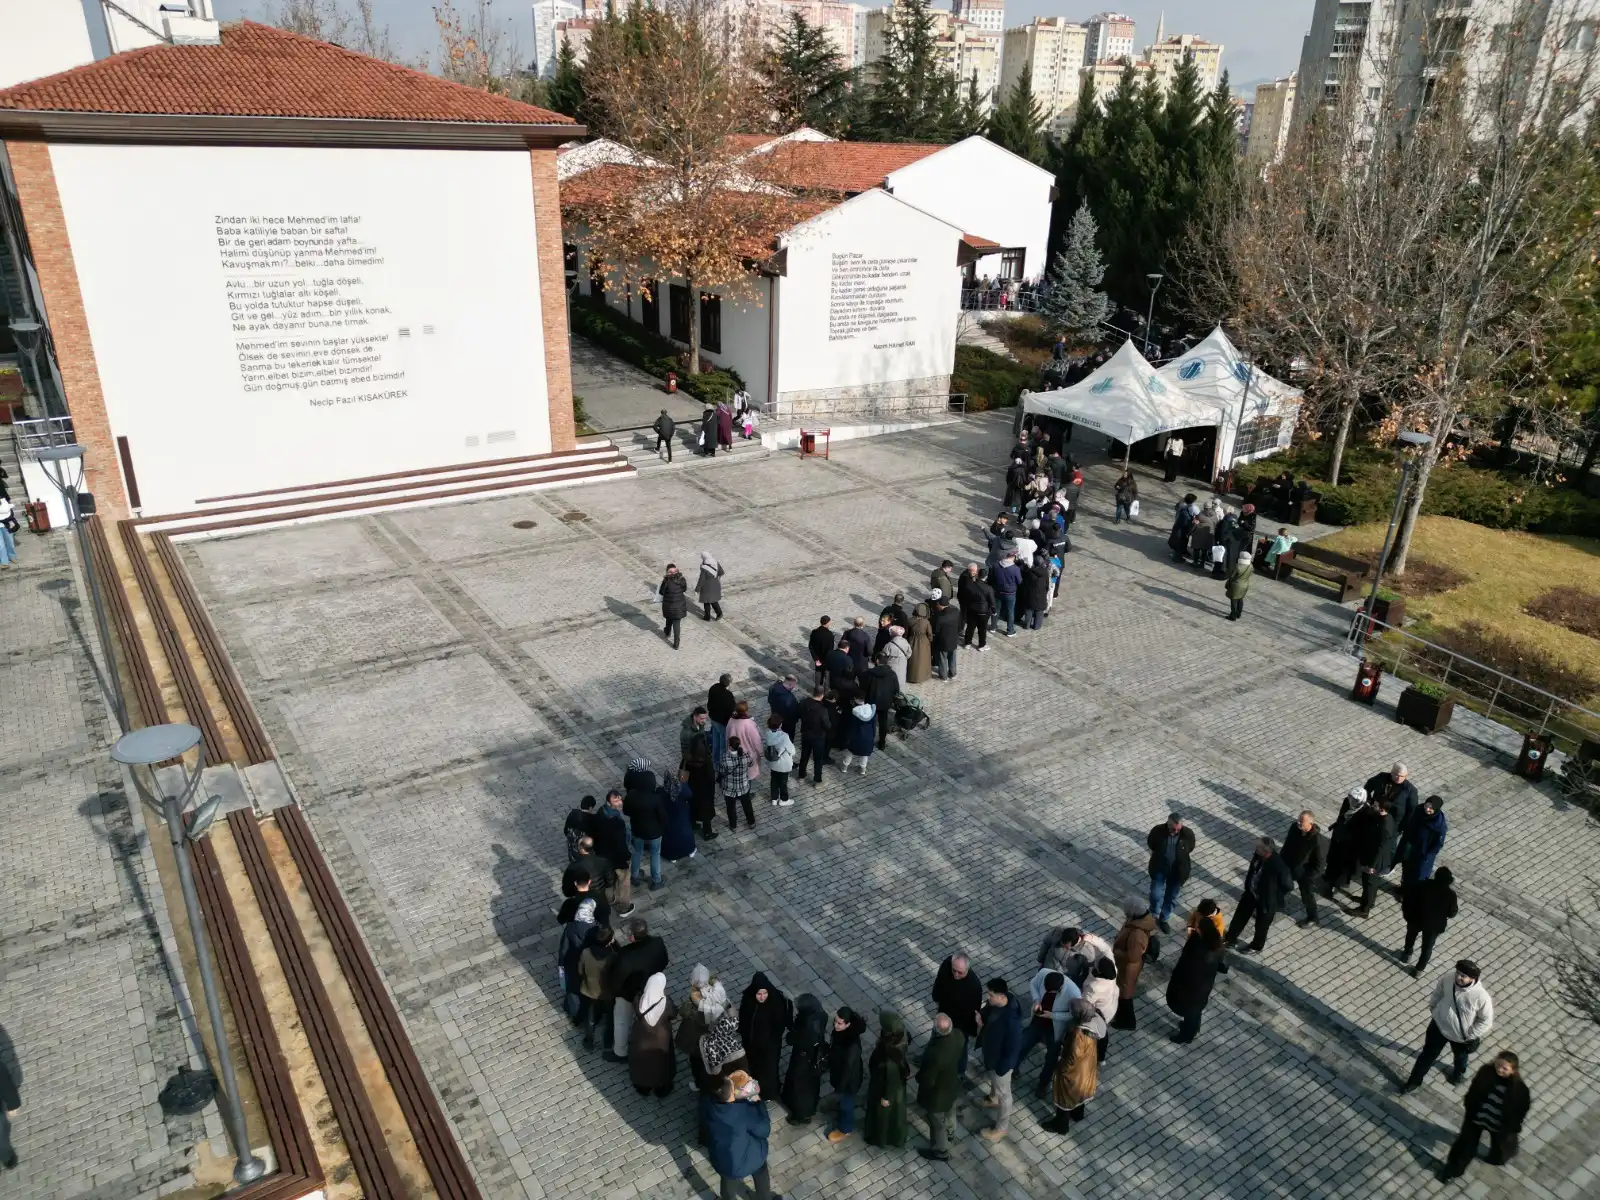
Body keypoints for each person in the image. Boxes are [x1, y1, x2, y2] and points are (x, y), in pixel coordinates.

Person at [1438, 1051, 1530, 1182]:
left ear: (1513, 1071)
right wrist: (1469, 1104)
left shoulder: (1520, 1089)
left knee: (1502, 1147)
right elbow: (1474, 1089)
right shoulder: (1486, 1072)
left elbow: (1521, 1110)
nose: (1500, 1069)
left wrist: (1512, 1125)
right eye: (1498, 1065)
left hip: (1499, 1124)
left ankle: (1497, 1158)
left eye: (1504, 1068)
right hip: (1477, 1117)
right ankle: (1452, 1171)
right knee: (1464, 1147)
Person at [1402, 961, 1495, 1091]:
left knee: (1460, 1057)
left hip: (1460, 1036)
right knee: (1426, 1056)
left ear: (1472, 978)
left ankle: (1458, 1074)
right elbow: (1438, 991)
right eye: (1458, 973)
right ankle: (1414, 1082)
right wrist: (1434, 1007)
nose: (1458, 977)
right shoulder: (1448, 978)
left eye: (1463, 976)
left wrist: (1470, 1034)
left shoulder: (1481, 997)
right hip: (1438, 1026)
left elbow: (1486, 1021)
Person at [706, 1072, 778, 1200]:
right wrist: (757, 1101)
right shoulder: (744, 1112)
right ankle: (764, 1197)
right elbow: (764, 1130)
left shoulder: (710, 1106)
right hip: (752, 1158)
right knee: (761, 1172)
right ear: (732, 1093)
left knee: (728, 1183)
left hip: (725, 1162)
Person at [608, 918, 669, 1062]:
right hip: (650, 988)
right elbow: (664, 961)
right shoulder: (658, 942)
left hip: (628, 994)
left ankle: (620, 1052)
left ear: (632, 937)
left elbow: (617, 981)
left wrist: (614, 993)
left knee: (622, 1021)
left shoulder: (625, 955)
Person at [1043, 998, 1105, 1133]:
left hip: (1074, 1072)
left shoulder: (1078, 1035)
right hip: (1088, 1066)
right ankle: (1077, 1115)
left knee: (1065, 1097)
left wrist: (1061, 1069)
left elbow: (1072, 1057)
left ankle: (1061, 1126)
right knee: (1080, 1093)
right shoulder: (1094, 1024)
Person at [1225, 837, 1295, 955]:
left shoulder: (1279, 866)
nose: (1255, 849)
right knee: (1239, 917)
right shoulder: (1258, 855)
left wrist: (1273, 894)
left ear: (1266, 851)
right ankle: (1230, 938)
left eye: (1258, 848)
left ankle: (1256, 947)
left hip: (1266, 901)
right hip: (1251, 893)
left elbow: (1288, 885)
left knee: (1261, 926)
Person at [915, 1013, 965, 1161]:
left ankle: (940, 1150)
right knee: (950, 1110)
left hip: (937, 1093)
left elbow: (927, 1078)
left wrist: (919, 1079)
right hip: (951, 1083)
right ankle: (951, 1132)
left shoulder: (935, 1053)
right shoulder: (958, 1036)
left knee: (937, 1122)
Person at [977, 978, 1021, 1142]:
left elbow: (1013, 1049)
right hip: (991, 1056)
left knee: (1005, 1095)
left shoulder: (1011, 1021)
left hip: (1000, 1065)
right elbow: (987, 1012)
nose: (987, 997)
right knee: (995, 1085)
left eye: (990, 995)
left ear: (1001, 996)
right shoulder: (996, 1004)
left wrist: (1002, 1069)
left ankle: (1001, 1128)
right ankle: (993, 1098)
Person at [1166, 919, 1224, 1044]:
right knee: (1195, 1009)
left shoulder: (1200, 951)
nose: (1195, 928)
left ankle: (1186, 1036)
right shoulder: (1215, 942)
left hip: (1193, 987)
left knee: (1191, 1010)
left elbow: (1188, 967)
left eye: (1198, 927)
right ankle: (1193, 1027)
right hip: (1203, 986)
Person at [739, 972, 793, 1103]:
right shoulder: (748, 1000)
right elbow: (744, 1019)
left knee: (768, 1071)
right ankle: (753, 1088)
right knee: (753, 1067)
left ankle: (768, 1094)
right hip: (751, 1044)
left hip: (769, 1046)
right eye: (759, 994)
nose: (762, 997)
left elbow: (779, 1026)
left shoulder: (776, 1003)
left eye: (765, 993)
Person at [931, 952, 983, 1077]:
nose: (956, 974)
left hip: (961, 1022)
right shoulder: (947, 965)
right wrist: (937, 998)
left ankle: (959, 1072)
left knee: (960, 1047)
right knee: (936, 1036)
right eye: (954, 970)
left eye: (960, 972)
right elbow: (939, 981)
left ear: (967, 969)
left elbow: (973, 1011)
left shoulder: (974, 986)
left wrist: (967, 1030)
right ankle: (931, 1058)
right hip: (944, 1012)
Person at [1401, 867, 1459, 978]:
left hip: (1417, 918)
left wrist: (1407, 913)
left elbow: (1409, 899)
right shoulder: (1450, 894)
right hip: (1434, 925)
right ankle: (1419, 970)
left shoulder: (1422, 885)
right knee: (1427, 947)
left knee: (1411, 936)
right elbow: (1452, 913)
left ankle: (1407, 954)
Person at [864, 1010, 910, 1148]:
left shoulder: (891, 1057)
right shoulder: (899, 1034)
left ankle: (882, 1138)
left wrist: (887, 1097)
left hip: (886, 1088)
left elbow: (891, 1078)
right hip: (888, 1082)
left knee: (884, 1116)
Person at [1112, 897, 1157, 1030]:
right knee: (1123, 992)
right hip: (1125, 966)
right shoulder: (1138, 920)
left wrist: (1117, 952)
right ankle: (1122, 1018)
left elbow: (1133, 956)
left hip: (1128, 968)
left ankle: (1127, 1022)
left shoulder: (1137, 934)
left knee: (1125, 995)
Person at [782, 994, 828, 1124]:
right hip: (813, 1055)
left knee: (799, 1086)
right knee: (810, 1085)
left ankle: (800, 1114)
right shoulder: (821, 1015)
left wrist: (791, 1033)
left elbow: (793, 1039)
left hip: (804, 1059)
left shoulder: (807, 1025)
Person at [623, 760, 668, 892]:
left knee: (637, 852)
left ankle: (635, 875)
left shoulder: (631, 796)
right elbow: (663, 817)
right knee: (655, 854)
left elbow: (626, 811)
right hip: (654, 832)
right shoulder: (656, 798)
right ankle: (656, 880)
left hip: (637, 829)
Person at [1146, 813, 1195, 934]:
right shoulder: (1158, 831)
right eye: (1173, 829)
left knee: (1171, 897)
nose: (1175, 832)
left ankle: (1164, 919)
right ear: (1168, 824)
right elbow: (1151, 844)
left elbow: (1190, 847)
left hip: (1177, 871)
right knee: (1155, 894)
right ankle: (1154, 914)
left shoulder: (1187, 834)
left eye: (1178, 829)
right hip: (1160, 868)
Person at [630, 972, 676, 1097]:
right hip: (661, 1040)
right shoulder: (666, 1003)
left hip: (642, 1038)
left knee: (642, 1063)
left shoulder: (639, 1000)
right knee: (662, 1064)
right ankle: (662, 1089)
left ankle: (643, 1087)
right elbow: (674, 1014)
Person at [1351, 797, 1398, 918]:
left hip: (1375, 860)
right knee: (1371, 883)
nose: (1373, 806)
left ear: (1382, 809)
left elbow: (1381, 848)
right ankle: (1368, 901)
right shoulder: (1383, 817)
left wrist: (1372, 865)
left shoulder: (1385, 825)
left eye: (1376, 805)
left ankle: (1364, 909)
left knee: (1369, 883)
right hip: (1372, 855)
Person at [826, 1008, 867, 1143]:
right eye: (835, 1022)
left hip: (849, 1081)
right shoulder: (839, 1033)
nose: (836, 1025)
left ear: (848, 1024)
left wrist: (841, 1087)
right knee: (843, 1101)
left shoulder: (852, 1044)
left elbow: (849, 1068)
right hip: (839, 1073)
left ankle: (845, 1129)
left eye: (839, 1023)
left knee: (847, 1104)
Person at [557, 893, 599, 1019]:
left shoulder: (570, 927)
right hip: (588, 966)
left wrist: (561, 966)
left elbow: (563, 950)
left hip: (571, 964)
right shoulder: (596, 929)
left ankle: (574, 1015)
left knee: (572, 990)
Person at [1281, 810, 1325, 926]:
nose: (1299, 823)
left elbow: (1320, 865)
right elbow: (1287, 846)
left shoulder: (1317, 840)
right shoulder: (1294, 828)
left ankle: (1313, 918)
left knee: (1307, 896)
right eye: (1298, 820)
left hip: (1304, 872)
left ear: (1310, 823)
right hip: (1289, 864)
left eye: (1302, 822)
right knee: (1279, 886)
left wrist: (1307, 876)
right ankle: (1273, 905)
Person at [594, 790, 634, 918]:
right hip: (617, 859)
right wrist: (626, 858)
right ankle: (624, 908)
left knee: (609, 881)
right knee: (624, 883)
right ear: (608, 802)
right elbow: (620, 845)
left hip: (603, 857)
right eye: (616, 801)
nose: (620, 803)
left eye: (620, 799)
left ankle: (611, 900)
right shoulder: (617, 823)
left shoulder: (601, 812)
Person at [1365, 763, 1419, 856]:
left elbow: (1412, 811)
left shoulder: (1410, 790)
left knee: (1388, 846)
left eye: (1402, 776)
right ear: (1391, 772)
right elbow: (1368, 786)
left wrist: (1401, 827)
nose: (1399, 778)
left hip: (1393, 823)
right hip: (1375, 815)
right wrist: (1369, 801)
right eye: (1396, 775)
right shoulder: (1382, 777)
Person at [1323, 785, 1369, 894]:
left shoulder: (1366, 812)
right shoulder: (1347, 802)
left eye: (1354, 800)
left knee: (1343, 865)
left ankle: (1336, 885)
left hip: (1350, 844)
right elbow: (1341, 816)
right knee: (1333, 858)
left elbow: (1362, 831)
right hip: (1339, 837)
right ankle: (1329, 876)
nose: (1351, 801)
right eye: (1350, 798)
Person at [577, 925, 616, 1049]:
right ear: (608, 942)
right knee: (610, 1017)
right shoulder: (612, 957)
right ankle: (608, 1043)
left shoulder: (586, 952)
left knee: (590, 1017)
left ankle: (589, 1041)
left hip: (589, 990)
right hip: (607, 993)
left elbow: (580, 971)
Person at [1401, 796, 1449, 891]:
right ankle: (1403, 889)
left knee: (1419, 876)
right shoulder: (1419, 810)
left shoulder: (1439, 825)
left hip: (1424, 853)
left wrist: (1427, 856)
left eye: (1431, 808)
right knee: (1406, 869)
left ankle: (1412, 894)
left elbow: (1438, 844)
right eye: (1426, 806)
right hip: (1412, 847)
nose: (1427, 809)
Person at [1082, 958, 1120, 1062]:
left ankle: (1096, 1057)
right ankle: (1101, 1057)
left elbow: (1085, 1003)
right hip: (1110, 1007)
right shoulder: (1113, 972)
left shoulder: (1095, 987)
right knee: (1103, 1032)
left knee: (1098, 1033)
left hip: (1100, 1013)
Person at [683, 733, 718, 840]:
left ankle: (693, 824)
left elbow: (683, 772)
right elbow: (711, 778)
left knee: (693, 806)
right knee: (706, 811)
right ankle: (707, 833)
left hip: (691, 787)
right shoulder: (706, 761)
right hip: (704, 790)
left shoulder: (688, 757)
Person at [861, 654, 900, 750]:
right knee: (883, 722)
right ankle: (882, 742)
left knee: (870, 721)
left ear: (877, 661)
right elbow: (896, 689)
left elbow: (863, 687)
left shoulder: (870, 673)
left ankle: (869, 740)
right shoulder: (892, 674)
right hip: (885, 702)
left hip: (871, 701)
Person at [796, 685, 832, 785]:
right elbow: (827, 725)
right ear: (822, 695)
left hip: (805, 734)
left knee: (804, 756)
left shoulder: (803, 702)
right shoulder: (822, 709)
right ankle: (817, 780)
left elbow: (798, 714)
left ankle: (801, 776)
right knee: (818, 759)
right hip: (818, 737)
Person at [760, 714, 795, 808]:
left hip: (773, 762)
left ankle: (774, 798)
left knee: (774, 780)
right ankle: (784, 799)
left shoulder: (767, 734)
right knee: (783, 782)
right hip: (783, 763)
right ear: (780, 725)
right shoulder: (784, 736)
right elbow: (792, 751)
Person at [719, 740, 756, 830]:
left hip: (729, 788)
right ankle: (751, 822)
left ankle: (733, 826)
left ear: (730, 746)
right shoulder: (745, 756)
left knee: (730, 808)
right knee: (747, 805)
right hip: (743, 786)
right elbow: (751, 763)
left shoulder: (724, 758)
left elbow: (721, 771)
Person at [662, 770, 698, 862]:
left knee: (671, 836)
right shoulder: (682, 790)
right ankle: (690, 851)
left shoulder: (662, 791)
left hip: (670, 820)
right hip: (682, 818)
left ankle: (672, 856)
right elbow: (689, 794)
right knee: (685, 833)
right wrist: (682, 782)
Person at [957, 564, 994, 651]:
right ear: (985, 577)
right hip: (983, 611)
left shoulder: (971, 585)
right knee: (982, 629)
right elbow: (992, 601)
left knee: (970, 627)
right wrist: (994, 610)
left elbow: (967, 597)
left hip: (972, 609)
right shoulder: (988, 588)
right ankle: (981, 645)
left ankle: (967, 643)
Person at [727, 701, 763, 784]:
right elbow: (756, 741)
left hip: (734, 753)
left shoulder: (731, 721)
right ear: (746, 710)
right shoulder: (749, 723)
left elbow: (727, 736)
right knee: (747, 777)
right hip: (748, 755)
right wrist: (761, 752)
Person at [841, 700, 877, 774]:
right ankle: (863, 770)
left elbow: (850, 727)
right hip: (868, 737)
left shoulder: (855, 714)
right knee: (865, 754)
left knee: (850, 752)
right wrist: (873, 736)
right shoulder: (871, 712)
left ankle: (844, 767)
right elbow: (874, 727)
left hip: (856, 737)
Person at [707, 674, 736, 764]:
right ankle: (722, 765)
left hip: (714, 719)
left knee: (716, 742)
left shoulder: (713, 688)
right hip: (722, 722)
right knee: (723, 745)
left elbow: (709, 704)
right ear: (728, 683)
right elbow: (731, 709)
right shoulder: (728, 695)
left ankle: (715, 762)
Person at [659, 564, 689, 649]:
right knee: (677, 623)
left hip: (669, 605)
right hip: (679, 606)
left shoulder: (666, 581)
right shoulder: (682, 579)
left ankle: (667, 632)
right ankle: (676, 643)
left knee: (669, 619)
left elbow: (661, 592)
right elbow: (684, 589)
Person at [992, 553, 1021, 637]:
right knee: (1010, 611)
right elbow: (1019, 581)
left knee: (996, 610)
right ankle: (1010, 631)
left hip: (998, 591)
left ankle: (993, 627)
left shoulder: (996, 565)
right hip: (1010, 593)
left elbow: (991, 578)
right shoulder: (1015, 569)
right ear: (1013, 557)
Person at [564, 794, 598, 861]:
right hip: (586, 850)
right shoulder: (593, 819)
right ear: (590, 808)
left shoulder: (573, 814)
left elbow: (565, 830)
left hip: (573, 848)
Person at [906, 604, 933, 684]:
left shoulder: (910, 620)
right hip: (923, 642)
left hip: (912, 640)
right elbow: (929, 634)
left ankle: (911, 676)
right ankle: (922, 676)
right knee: (923, 660)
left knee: (912, 659)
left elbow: (907, 632)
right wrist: (930, 640)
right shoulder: (926, 622)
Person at [1224, 545, 1253, 621]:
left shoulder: (1238, 567)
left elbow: (1231, 576)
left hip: (1236, 586)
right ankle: (1238, 613)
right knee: (1240, 599)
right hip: (1245, 585)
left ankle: (1233, 616)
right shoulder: (1251, 566)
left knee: (1234, 600)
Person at [697, 552, 725, 621]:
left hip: (707, 586)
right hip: (715, 584)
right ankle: (719, 613)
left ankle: (707, 617)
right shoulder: (716, 562)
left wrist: (697, 588)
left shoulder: (704, 567)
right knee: (713, 600)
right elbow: (721, 572)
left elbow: (701, 579)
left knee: (706, 601)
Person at [808, 617, 835, 690]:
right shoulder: (830, 635)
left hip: (818, 659)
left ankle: (817, 690)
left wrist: (816, 659)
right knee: (827, 675)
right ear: (827, 623)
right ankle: (826, 691)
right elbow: (830, 649)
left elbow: (811, 646)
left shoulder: (814, 632)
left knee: (818, 674)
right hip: (826, 659)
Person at [1169, 494, 1197, 562]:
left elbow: (1176, 508)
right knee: (1180, 542)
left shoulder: (1182, 505)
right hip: (1181, 530)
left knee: (1180, 542)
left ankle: (1181, 553)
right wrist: (1192, 523)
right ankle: (1177, 558)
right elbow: (1186, 522)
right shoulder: (1186, 510)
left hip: (1179, 527)